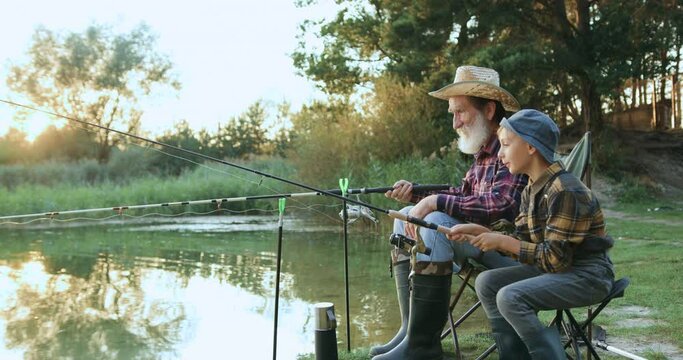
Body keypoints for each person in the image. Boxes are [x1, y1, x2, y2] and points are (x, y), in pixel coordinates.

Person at [370, 65, 528, 360]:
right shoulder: (483, 153)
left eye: (461, 112)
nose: (455, 123)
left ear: (489, 110)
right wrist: (417, 194)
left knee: (435, 221)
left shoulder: (511, 147)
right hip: (481, 242)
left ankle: (423, 347)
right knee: (406, 215)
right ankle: (411, 331)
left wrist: (434, 204)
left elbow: (502, 205)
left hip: (509, 249)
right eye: (453, 113)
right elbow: (464, 196)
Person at [448, 109, 615, 359]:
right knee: (487, 282)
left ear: (530, 147)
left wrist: (503, 241)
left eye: (505, 144)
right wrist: (483, 233)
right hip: (560, 270)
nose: (500, 153)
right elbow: (524, 243)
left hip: (588, 275)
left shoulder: (566, 190)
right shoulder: (531, 188)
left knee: (509, 296)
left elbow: (554, 259)